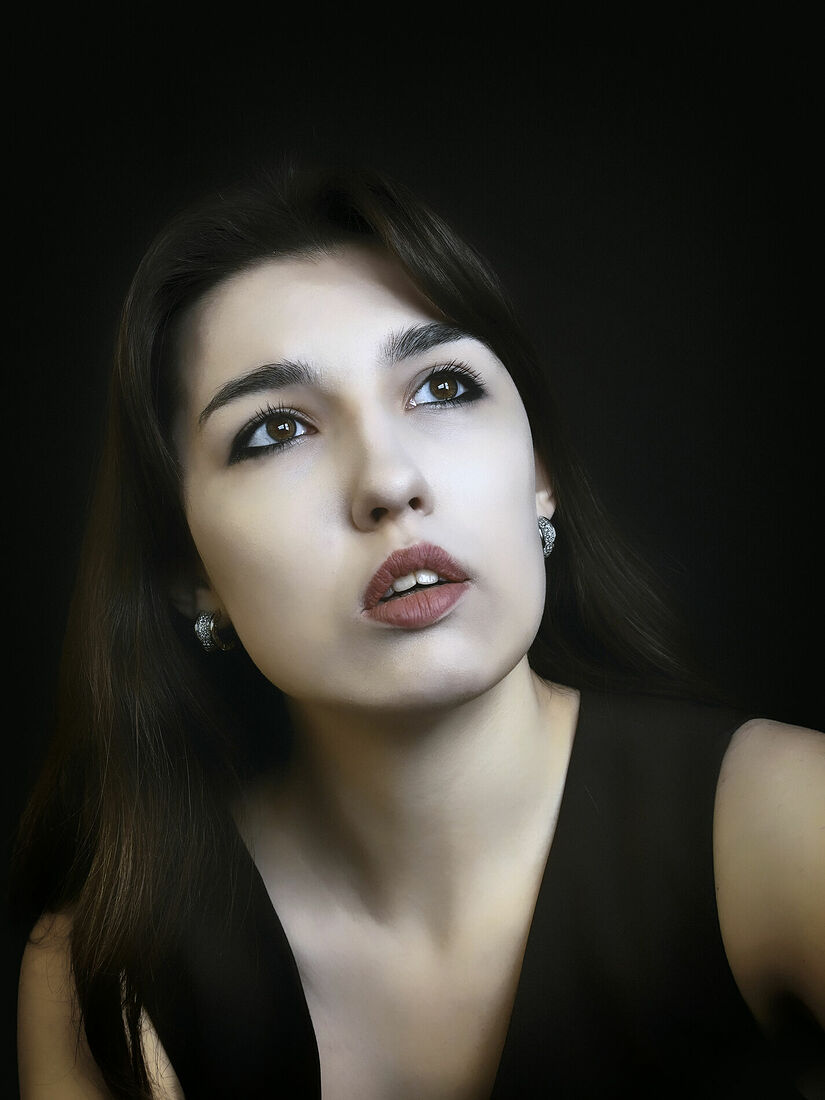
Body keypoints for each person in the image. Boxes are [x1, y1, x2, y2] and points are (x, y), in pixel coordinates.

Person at [12, 162, 824, 1099]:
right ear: (189, 571)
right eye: (276, 431)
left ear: (540, 475)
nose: (389, 482)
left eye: (441, 386)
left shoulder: (785, 821)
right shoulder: (110, 972)